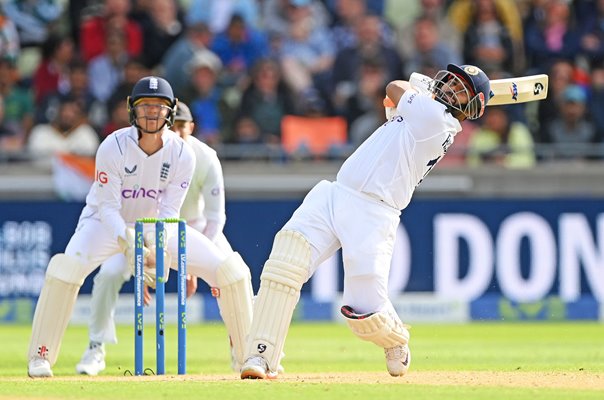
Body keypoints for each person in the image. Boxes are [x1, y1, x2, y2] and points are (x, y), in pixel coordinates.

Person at [239, 63, 492, 379]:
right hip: (335, 194)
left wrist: (419, 86)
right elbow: (395, 100)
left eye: (460, 90)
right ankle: (261, 356)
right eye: (451, 81)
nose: (449, 88)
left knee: (364, 313)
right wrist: (420, 89)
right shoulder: (423, 111)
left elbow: (392, 88)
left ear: (469, 109)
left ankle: (395, 336)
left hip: (374, 214)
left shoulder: (436, 121)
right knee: (285, 264)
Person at [27, 77, 254, 378]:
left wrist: (153, 248)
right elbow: (107, 207)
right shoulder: (113, 146)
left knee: (230, 272)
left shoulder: (183, 154)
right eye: (144, 105)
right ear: (132, 110)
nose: (151, 112)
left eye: (158, 107)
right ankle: (40, 356)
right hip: (104, 224)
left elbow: (171, 211)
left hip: (158, 226)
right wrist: (128, 242)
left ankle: (248, 357)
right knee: (66, 269)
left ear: (170, 112)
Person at [74, 101, 238, 376]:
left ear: (192, 127)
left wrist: (190, 265)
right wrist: (146, 265)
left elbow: (216, 218)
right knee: (110, 275)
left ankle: (242, 348)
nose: (177, 133)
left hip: (194, 228)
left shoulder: (204, 156)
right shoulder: (149, 148)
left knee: (229, 271)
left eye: (183, 127)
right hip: (143, 228)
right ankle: (96, 346)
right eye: (173, 126)